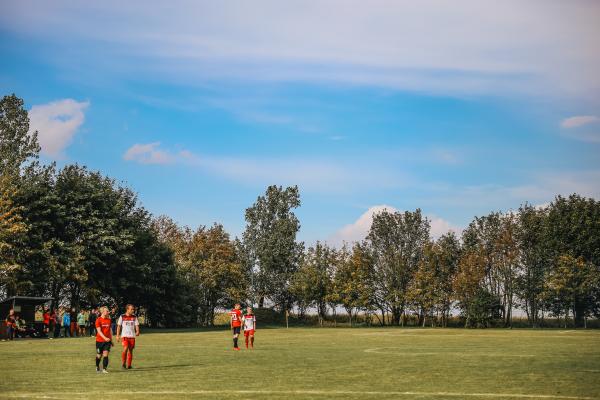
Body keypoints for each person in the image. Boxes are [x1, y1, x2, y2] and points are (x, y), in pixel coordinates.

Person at [116, 304, 140, 369]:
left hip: (132, 336)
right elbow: (119, 326)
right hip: (124, 336)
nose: (133, 310)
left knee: (130, 351)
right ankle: (123, 364)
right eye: (131, 309)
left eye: (133, 309)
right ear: (127, 309)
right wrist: (117, 335)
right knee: (125, 348)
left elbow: (137, 325)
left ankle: (129, 365)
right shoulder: (122, 316)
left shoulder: (134, 317)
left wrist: (137, 331)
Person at [95, 306, 112, 373]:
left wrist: (111, 340)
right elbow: (99, 331)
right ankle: (97, 366)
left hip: (107, 341)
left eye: (108, 311)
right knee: (99, 355)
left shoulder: (109, 320)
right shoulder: (98, 320)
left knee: (105, 354)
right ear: (103, 312)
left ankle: (104, 369)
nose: (108, 312)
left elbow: (110, 331)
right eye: (107, 311)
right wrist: (105, 338)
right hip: (99, 341)